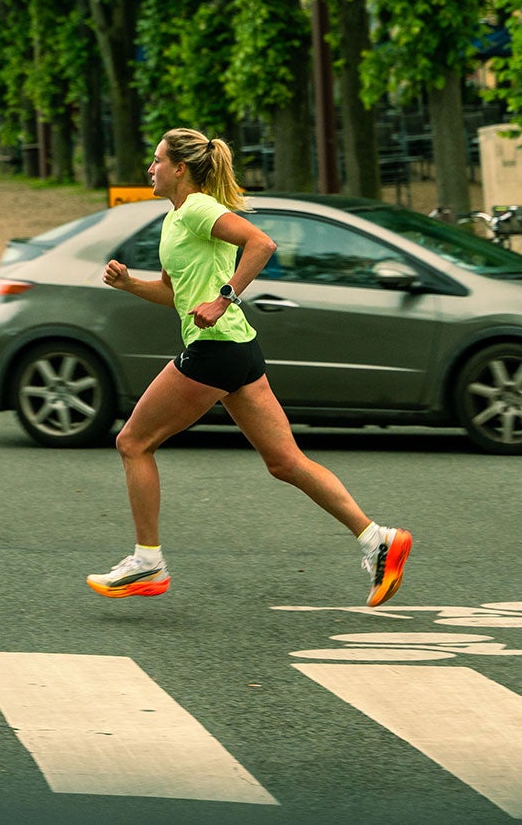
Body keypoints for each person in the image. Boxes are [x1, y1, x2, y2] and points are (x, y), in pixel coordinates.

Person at [92, 127, 412, 605]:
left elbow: (261, 244)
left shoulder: (199, 207)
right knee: (285, 462)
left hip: (215, 346)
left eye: (157, 161)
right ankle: (378, 540)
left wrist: (223, 299)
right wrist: (129, 285)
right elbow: (175, 294)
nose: (150, 169)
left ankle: (148, 562)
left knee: (133, 442)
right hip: (237, 348)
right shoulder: (175, 219)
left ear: (180, 169)